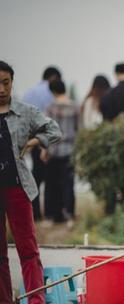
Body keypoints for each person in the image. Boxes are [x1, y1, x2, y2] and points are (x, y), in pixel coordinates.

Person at [0, 60, 61, 304]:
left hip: (18, 187)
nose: (1, 88)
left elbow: (54, 130)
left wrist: (34, 142)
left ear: (12, 82)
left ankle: (37, 303)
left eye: (6, 82)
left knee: (28, 247)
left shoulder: (25, 111)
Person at [22, 66, 62, 221]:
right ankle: (51, 212)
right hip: (49, 142)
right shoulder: (52, 94)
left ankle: (35, 213)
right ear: (54, 78)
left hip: (33, 141)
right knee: (52, 178)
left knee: (36, 177)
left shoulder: (29, 93)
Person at [44, 79, 78, 225]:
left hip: (54, 149)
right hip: (70, 149)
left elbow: (47, 131)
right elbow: (79, 129)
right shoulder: (75, 107)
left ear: (53, 91)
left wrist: (45, 150)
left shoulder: (50, 108)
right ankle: (69, 213)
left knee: (52, 183)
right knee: (68, 183)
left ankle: (55, 214)